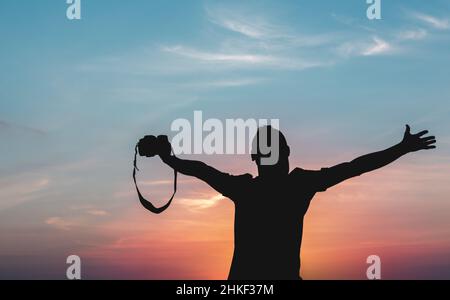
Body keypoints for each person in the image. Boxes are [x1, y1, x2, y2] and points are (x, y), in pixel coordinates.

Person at [141, 124, 436, 279]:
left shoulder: (245, 189)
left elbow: (201, 170)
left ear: (255, 158)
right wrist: (401, 148)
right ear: (287, 151)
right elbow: (354, 166)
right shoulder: (298, 185)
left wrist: (169, 158)